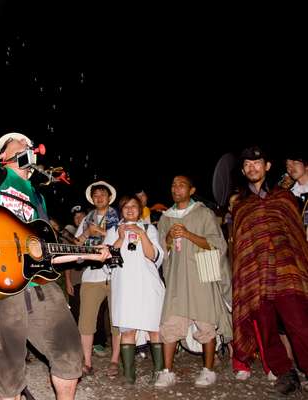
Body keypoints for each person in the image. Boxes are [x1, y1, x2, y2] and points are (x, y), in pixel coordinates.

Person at [0, 39, 110, 400]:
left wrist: (91, 255)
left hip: (40, 286)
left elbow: (46, 253)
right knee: (10, 372)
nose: (25, 146)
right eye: (17, 143)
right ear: (2, 156)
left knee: (68, 354)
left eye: (28, 143)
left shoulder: (39, 200)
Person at [232, 146, 308, 396]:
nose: (252, 167)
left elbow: (297, 237)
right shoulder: (241, 207)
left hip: (286, 272)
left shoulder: (285, 198)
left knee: (300, 325)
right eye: (247, 165)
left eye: (257, 163)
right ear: (244, 171)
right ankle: (285, 373)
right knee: (266, 329)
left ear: (267, 166)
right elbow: (241, 248)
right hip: (256, 277)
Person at [155, 175, 232, 388]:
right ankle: (167, 371)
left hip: (202, 271)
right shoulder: (165, 218)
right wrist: (169, 239)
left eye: (181, 185)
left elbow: (217, 245)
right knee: (170, 322)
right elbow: (162, 252)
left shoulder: (204, 213)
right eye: (173, 184)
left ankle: (208, 370)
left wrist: (188, 235)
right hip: (177, 277)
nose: (176, 188)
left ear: (191, 190)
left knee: (206, 321)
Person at [104, 195, 165, 384]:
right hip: (125, 286)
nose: (130, 210)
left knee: (154, 327)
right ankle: (129, 375)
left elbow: (154, 256)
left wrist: (142, 234)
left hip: (148, 285)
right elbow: (108, 260)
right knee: (128, 329)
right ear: (121, 210)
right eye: (125, 207)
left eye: (134, 207)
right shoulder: (114, 230)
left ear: (140, 209)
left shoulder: (149, 228)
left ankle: (160, 372)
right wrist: (121, 238)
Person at [75, 180, 121, 376]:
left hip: (117, 274)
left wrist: (101, 232)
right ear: (92, 199)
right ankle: (86, 362)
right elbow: (76, 248)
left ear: (110, 197)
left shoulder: (120, 218)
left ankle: (115, 360)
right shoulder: (86, 220)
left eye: (103, 194)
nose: (100, 197)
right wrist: (87, 232)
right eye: (96, 195)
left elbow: (120, 243)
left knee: (117, 319)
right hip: (91, 274)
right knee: (86, 320)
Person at [281, 153, 308, 240]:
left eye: (295, 163)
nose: (290, 168)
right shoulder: (286, 194)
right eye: (287, 165)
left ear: (306, 166)